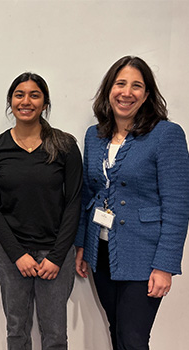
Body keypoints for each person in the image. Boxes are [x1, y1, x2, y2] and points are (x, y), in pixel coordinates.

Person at [75, 56, 189, 350]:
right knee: (117, 331)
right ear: (108, 90)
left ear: (147, 94)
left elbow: (177, 206)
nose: (127, 92)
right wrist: (81, 245)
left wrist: (165, 266)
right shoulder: (94, 135)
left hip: (144, 256)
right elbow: (88, 194)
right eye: (120, 84)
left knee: (134, 338)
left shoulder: (166, 135)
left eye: (136, 86)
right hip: (101, 252)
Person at [0, 72, 83, 350]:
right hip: (12, 255)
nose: (26, 101)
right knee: (16, 332)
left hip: (55, 254)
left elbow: (74, 202)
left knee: (55, 336)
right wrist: (18, 255)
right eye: (19, 94)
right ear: (10, 101)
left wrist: (57, 256)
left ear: (45, 103)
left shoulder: (64, 146)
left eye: (34, 95)